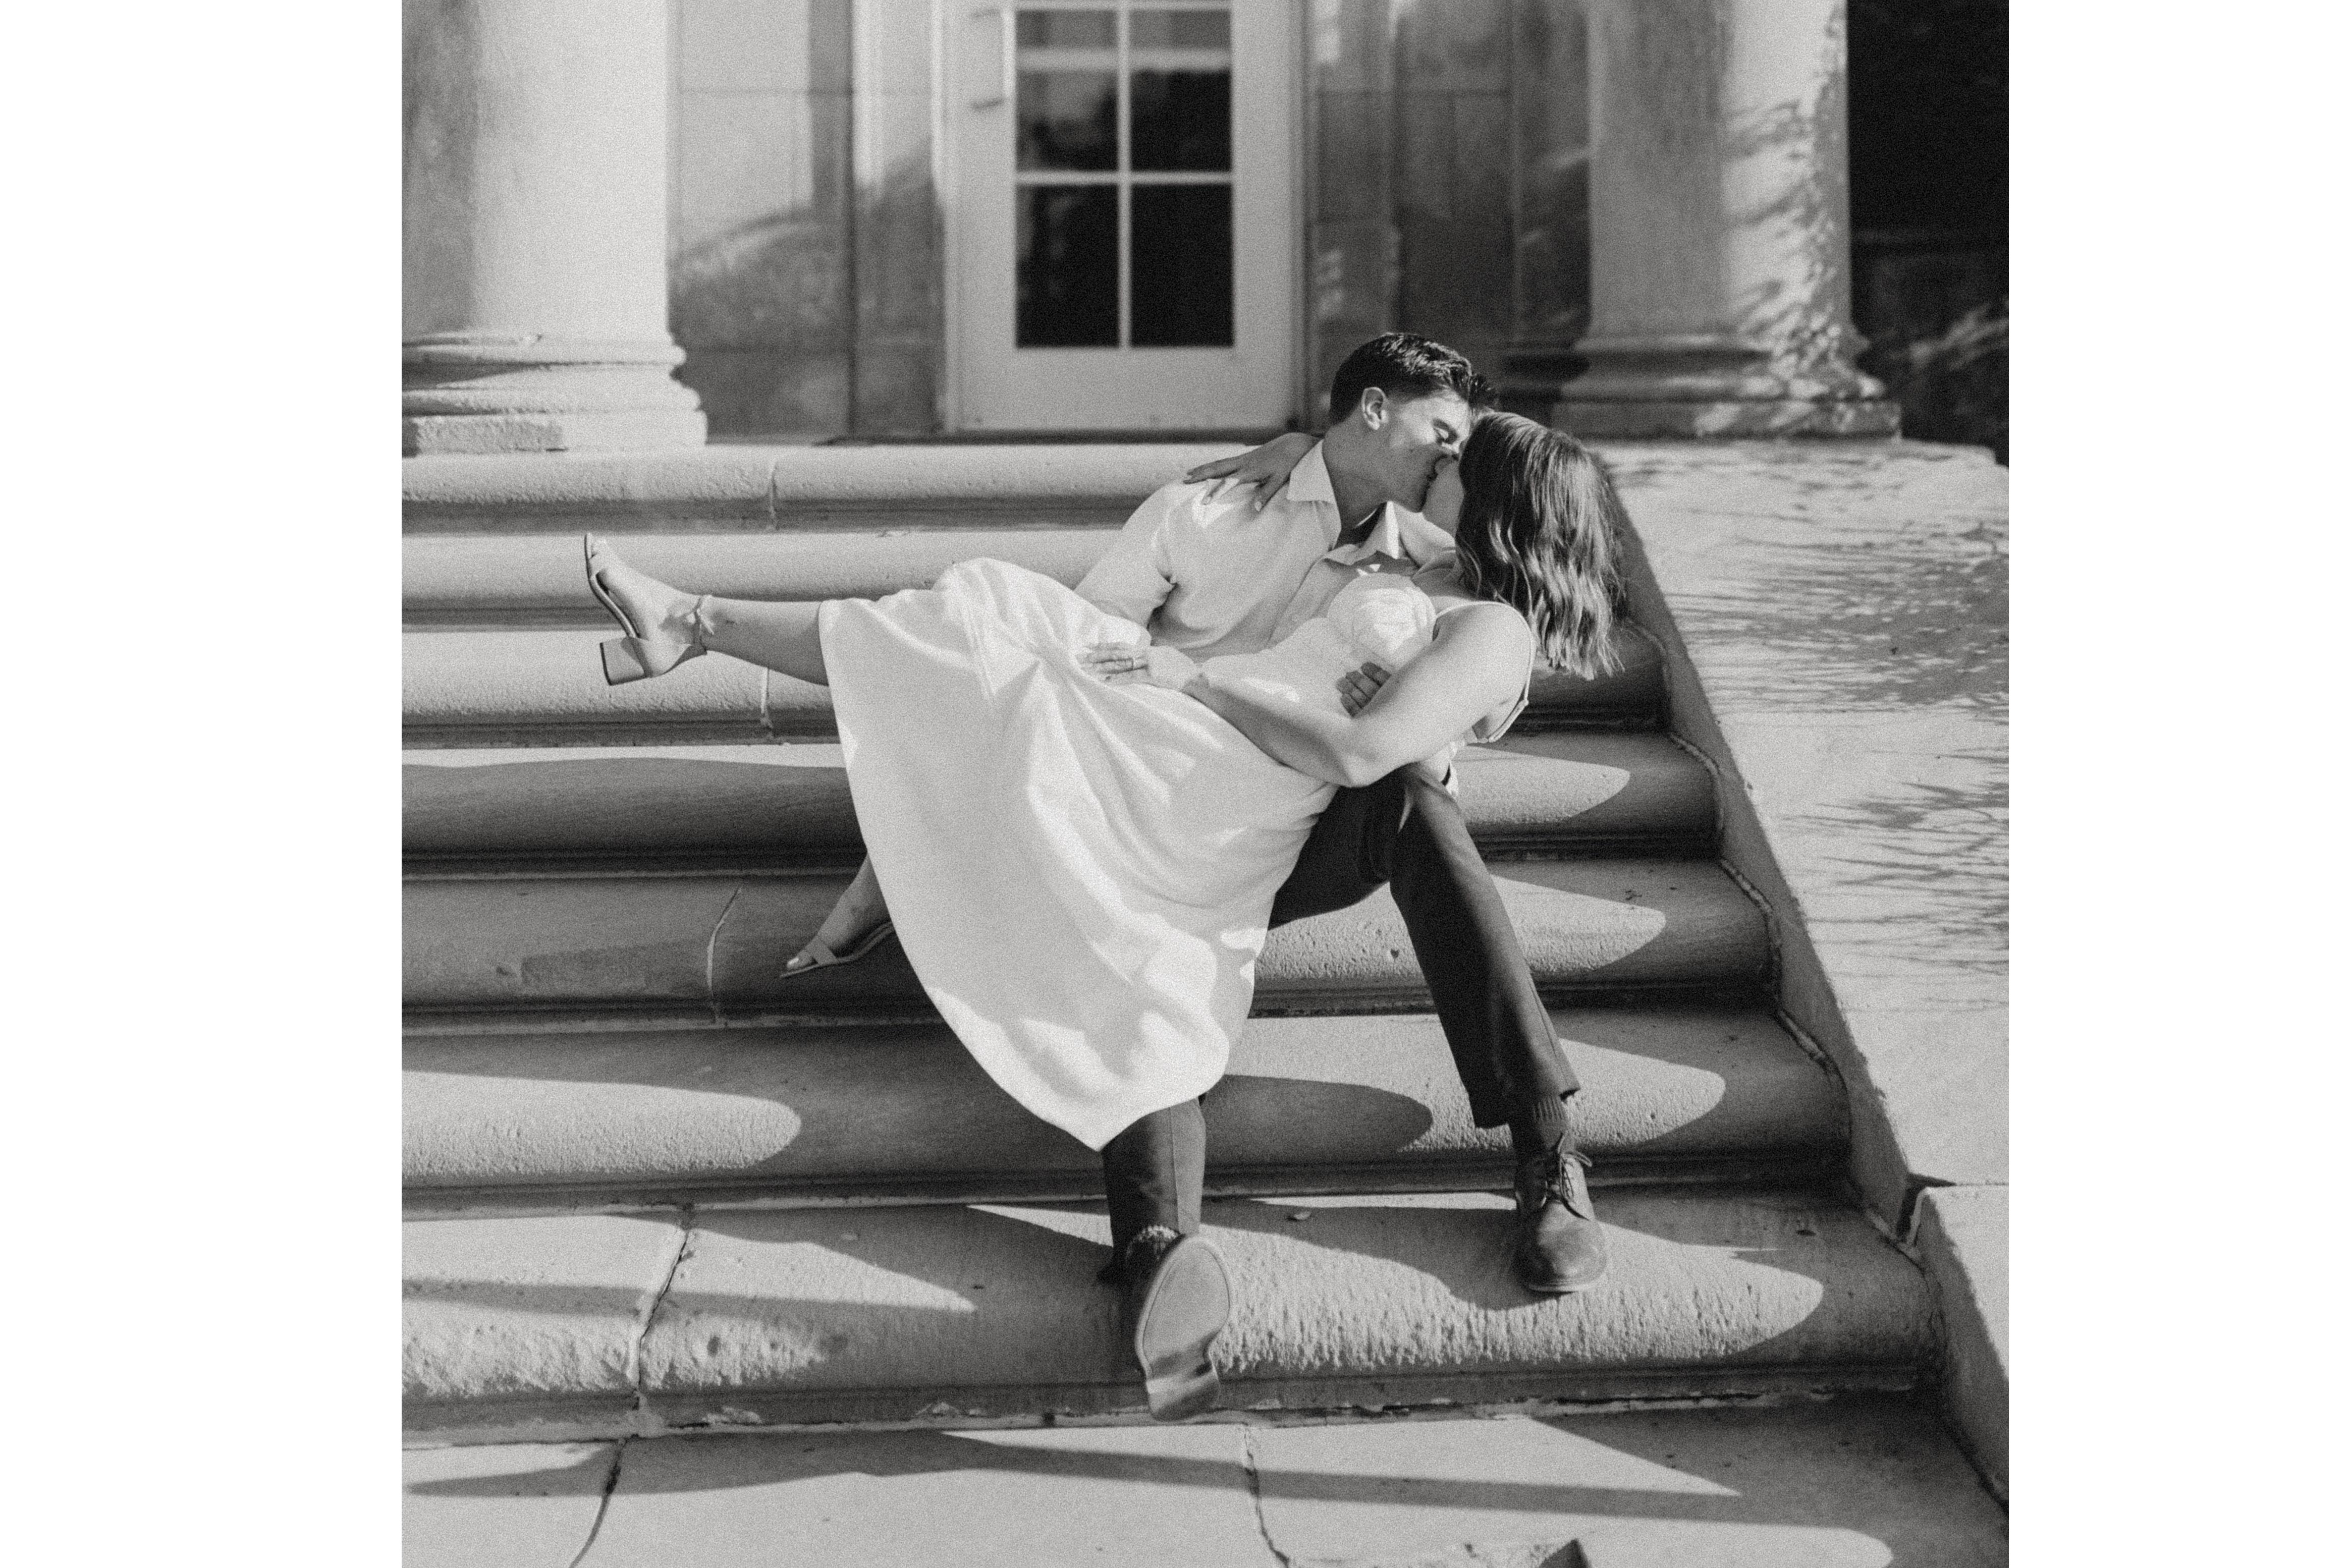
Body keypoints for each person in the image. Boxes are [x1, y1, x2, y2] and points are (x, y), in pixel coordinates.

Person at [580, 338, 1624, 1419]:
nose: (1438, 461)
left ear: (1489, 504)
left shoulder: (1476, 613)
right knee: (1004, 653)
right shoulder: (1329, 535)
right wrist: (1300, 454)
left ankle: (1548, 1151)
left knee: (1405, 797)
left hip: (1262, 776)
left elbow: (1368, 750)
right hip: (1187, 749)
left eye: (1456, 457)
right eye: (1437, 441)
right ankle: (1161, 1249)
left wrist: (1200, 681)